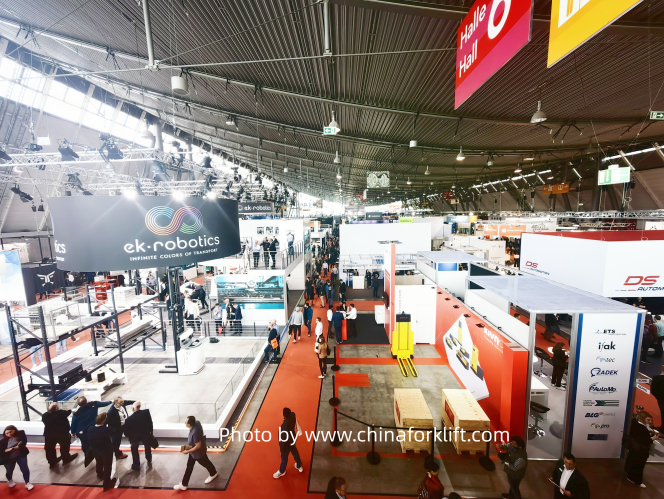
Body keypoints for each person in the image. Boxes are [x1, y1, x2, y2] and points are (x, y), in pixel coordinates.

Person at [174, 416, 218, 490]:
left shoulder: (195, 433)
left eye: (186, 422)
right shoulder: (197, 423)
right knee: (189, 466)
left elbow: (198, 446)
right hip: (195, 452)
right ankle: (184, 484)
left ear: (189, 424)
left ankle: (213, 473)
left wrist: (187, 451)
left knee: (205, 463)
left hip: (198, 453)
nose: (185, 422)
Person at [625, 410, 660, 487]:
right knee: (639, 465)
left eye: (650, 420)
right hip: (640, 450)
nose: (650, 422)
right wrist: (652, 438)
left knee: (634, 463)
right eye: (648, 420)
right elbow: (641, 439)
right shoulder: (640, 427)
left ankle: (631, 476)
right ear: (642, 418)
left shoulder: (637, 425)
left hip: (636, 449)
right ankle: (636, 480)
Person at [87, 413, 117, 491]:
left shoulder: (90, 429)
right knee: (107, 466)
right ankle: (107, 483)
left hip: (95, 450)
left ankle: (100, 475)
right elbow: (114, 433)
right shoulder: (106, 429)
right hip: (106, 450)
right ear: (103, 421)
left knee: (99, 462)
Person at [42, 402, 77, 468]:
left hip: (49, 434)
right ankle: (66, 459)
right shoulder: (61, 413)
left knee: (49, 449)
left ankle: (52, 461)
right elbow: (69, 411)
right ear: (56, 409)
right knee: (64, 447)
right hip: (62, 433)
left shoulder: (44, 415)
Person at [123, 401, 153, 471]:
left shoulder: (128, 419)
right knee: (147, 446)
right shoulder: (146, 412)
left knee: (134, 449)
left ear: (133, 408)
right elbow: (150, 422)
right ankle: (148, 458)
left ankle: (136, 465)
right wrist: (150, 431)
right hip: (145, 434)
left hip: (134, 437)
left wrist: (129, 435)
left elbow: (126, 432)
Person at [273, 407, 303, 478]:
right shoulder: (293, 415)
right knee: (295, 452)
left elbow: (283, 440)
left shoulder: (283, 427)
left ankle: (282, 471)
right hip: (292, 439)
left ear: (284, 415)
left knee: (284, 458)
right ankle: (299, 466)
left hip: (286, 445)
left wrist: (282, 450)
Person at [1, 425, 33, 490]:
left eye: (11, 432)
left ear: (15, 430)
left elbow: (24, 442)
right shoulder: (2, 441)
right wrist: (14, 448)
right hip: (9, 458)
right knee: (9, 471)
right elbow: (3, 451)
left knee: (25, 469)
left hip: (20, 455)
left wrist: (20, 445)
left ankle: (27, 483)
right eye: (7, 433)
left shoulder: (20, 435)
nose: (9, 434)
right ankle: (10, 480)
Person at [651, 365, 664, 430]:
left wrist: (659, 398)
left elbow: (653, 390)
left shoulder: (656, 378)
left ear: (662, 369)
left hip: (661, 400)